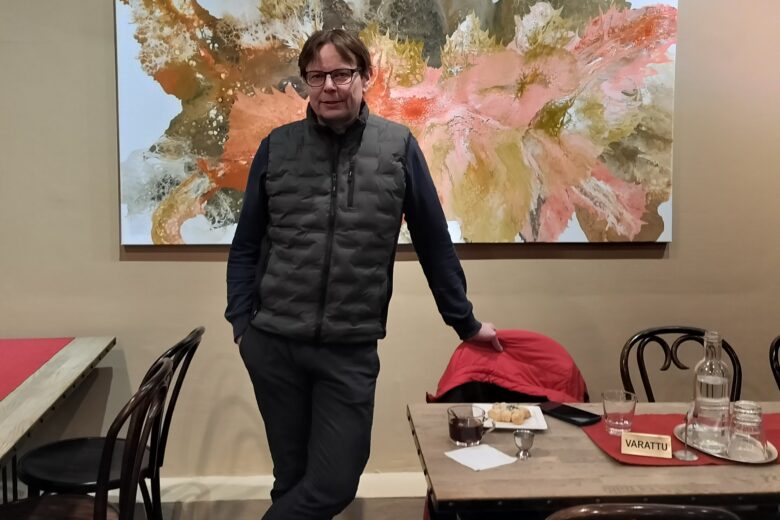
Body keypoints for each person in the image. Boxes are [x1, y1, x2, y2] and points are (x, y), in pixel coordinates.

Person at [225, 28, 501, 520]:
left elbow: (434, 243)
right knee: (292, 478)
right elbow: (246, 244)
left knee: (334, 484)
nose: (329, 86)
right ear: (306, 82)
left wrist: (465, 323)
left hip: (349, 348)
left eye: (341, 74)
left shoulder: (397, 147)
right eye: (316, 76)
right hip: (274, 345)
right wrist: (242, 323)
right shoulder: (277, 147)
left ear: (365, 76)